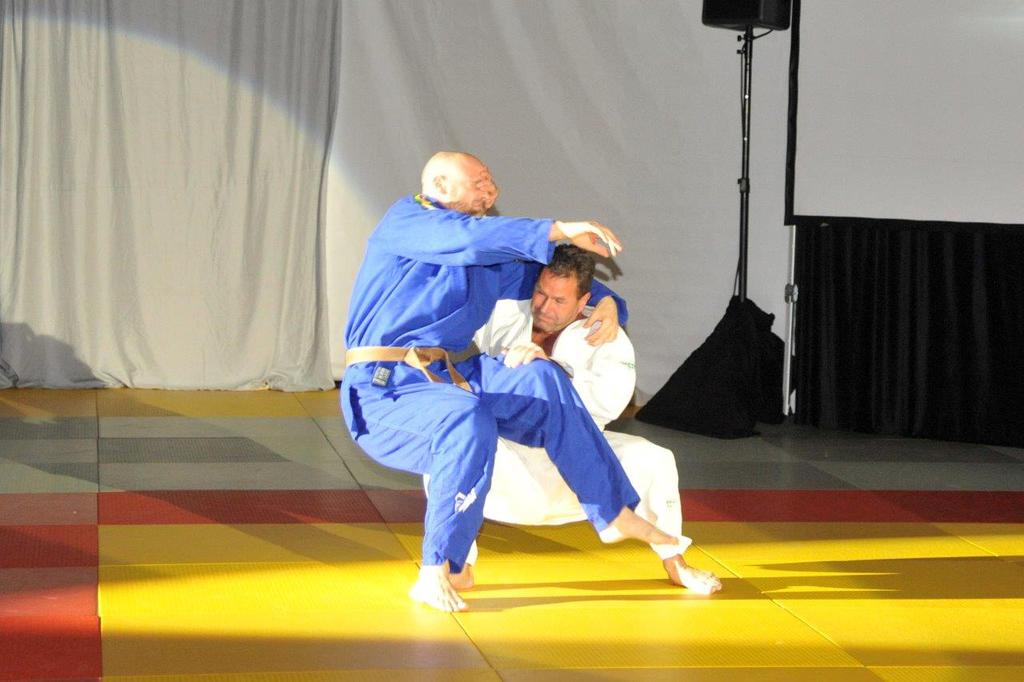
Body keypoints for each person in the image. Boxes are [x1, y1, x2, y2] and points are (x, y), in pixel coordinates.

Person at [341, 151, 678, 612]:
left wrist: (608, 302)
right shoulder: (406, 222)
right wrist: (559, 229)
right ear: (440, 185)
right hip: (383, 389)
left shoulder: (484, 261)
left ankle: (612, 511)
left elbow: (548, 279)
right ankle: (436, 568)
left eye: (492, 182)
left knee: (539, 377)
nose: (490, 191)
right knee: (464, 417)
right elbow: (464, 239)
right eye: (479, 182)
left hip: (443, 377)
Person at [464, 245, 722, 594]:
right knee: (453, 449)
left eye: (559, 300)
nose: (545, 307)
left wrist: (547, 373)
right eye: (541, 293)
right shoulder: (508, 313)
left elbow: (610, 403)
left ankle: (675, 561)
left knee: (655, 459)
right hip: (512, 453)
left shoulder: (603, 335)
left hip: (581, 455)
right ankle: (456, 564)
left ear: (584, 299)